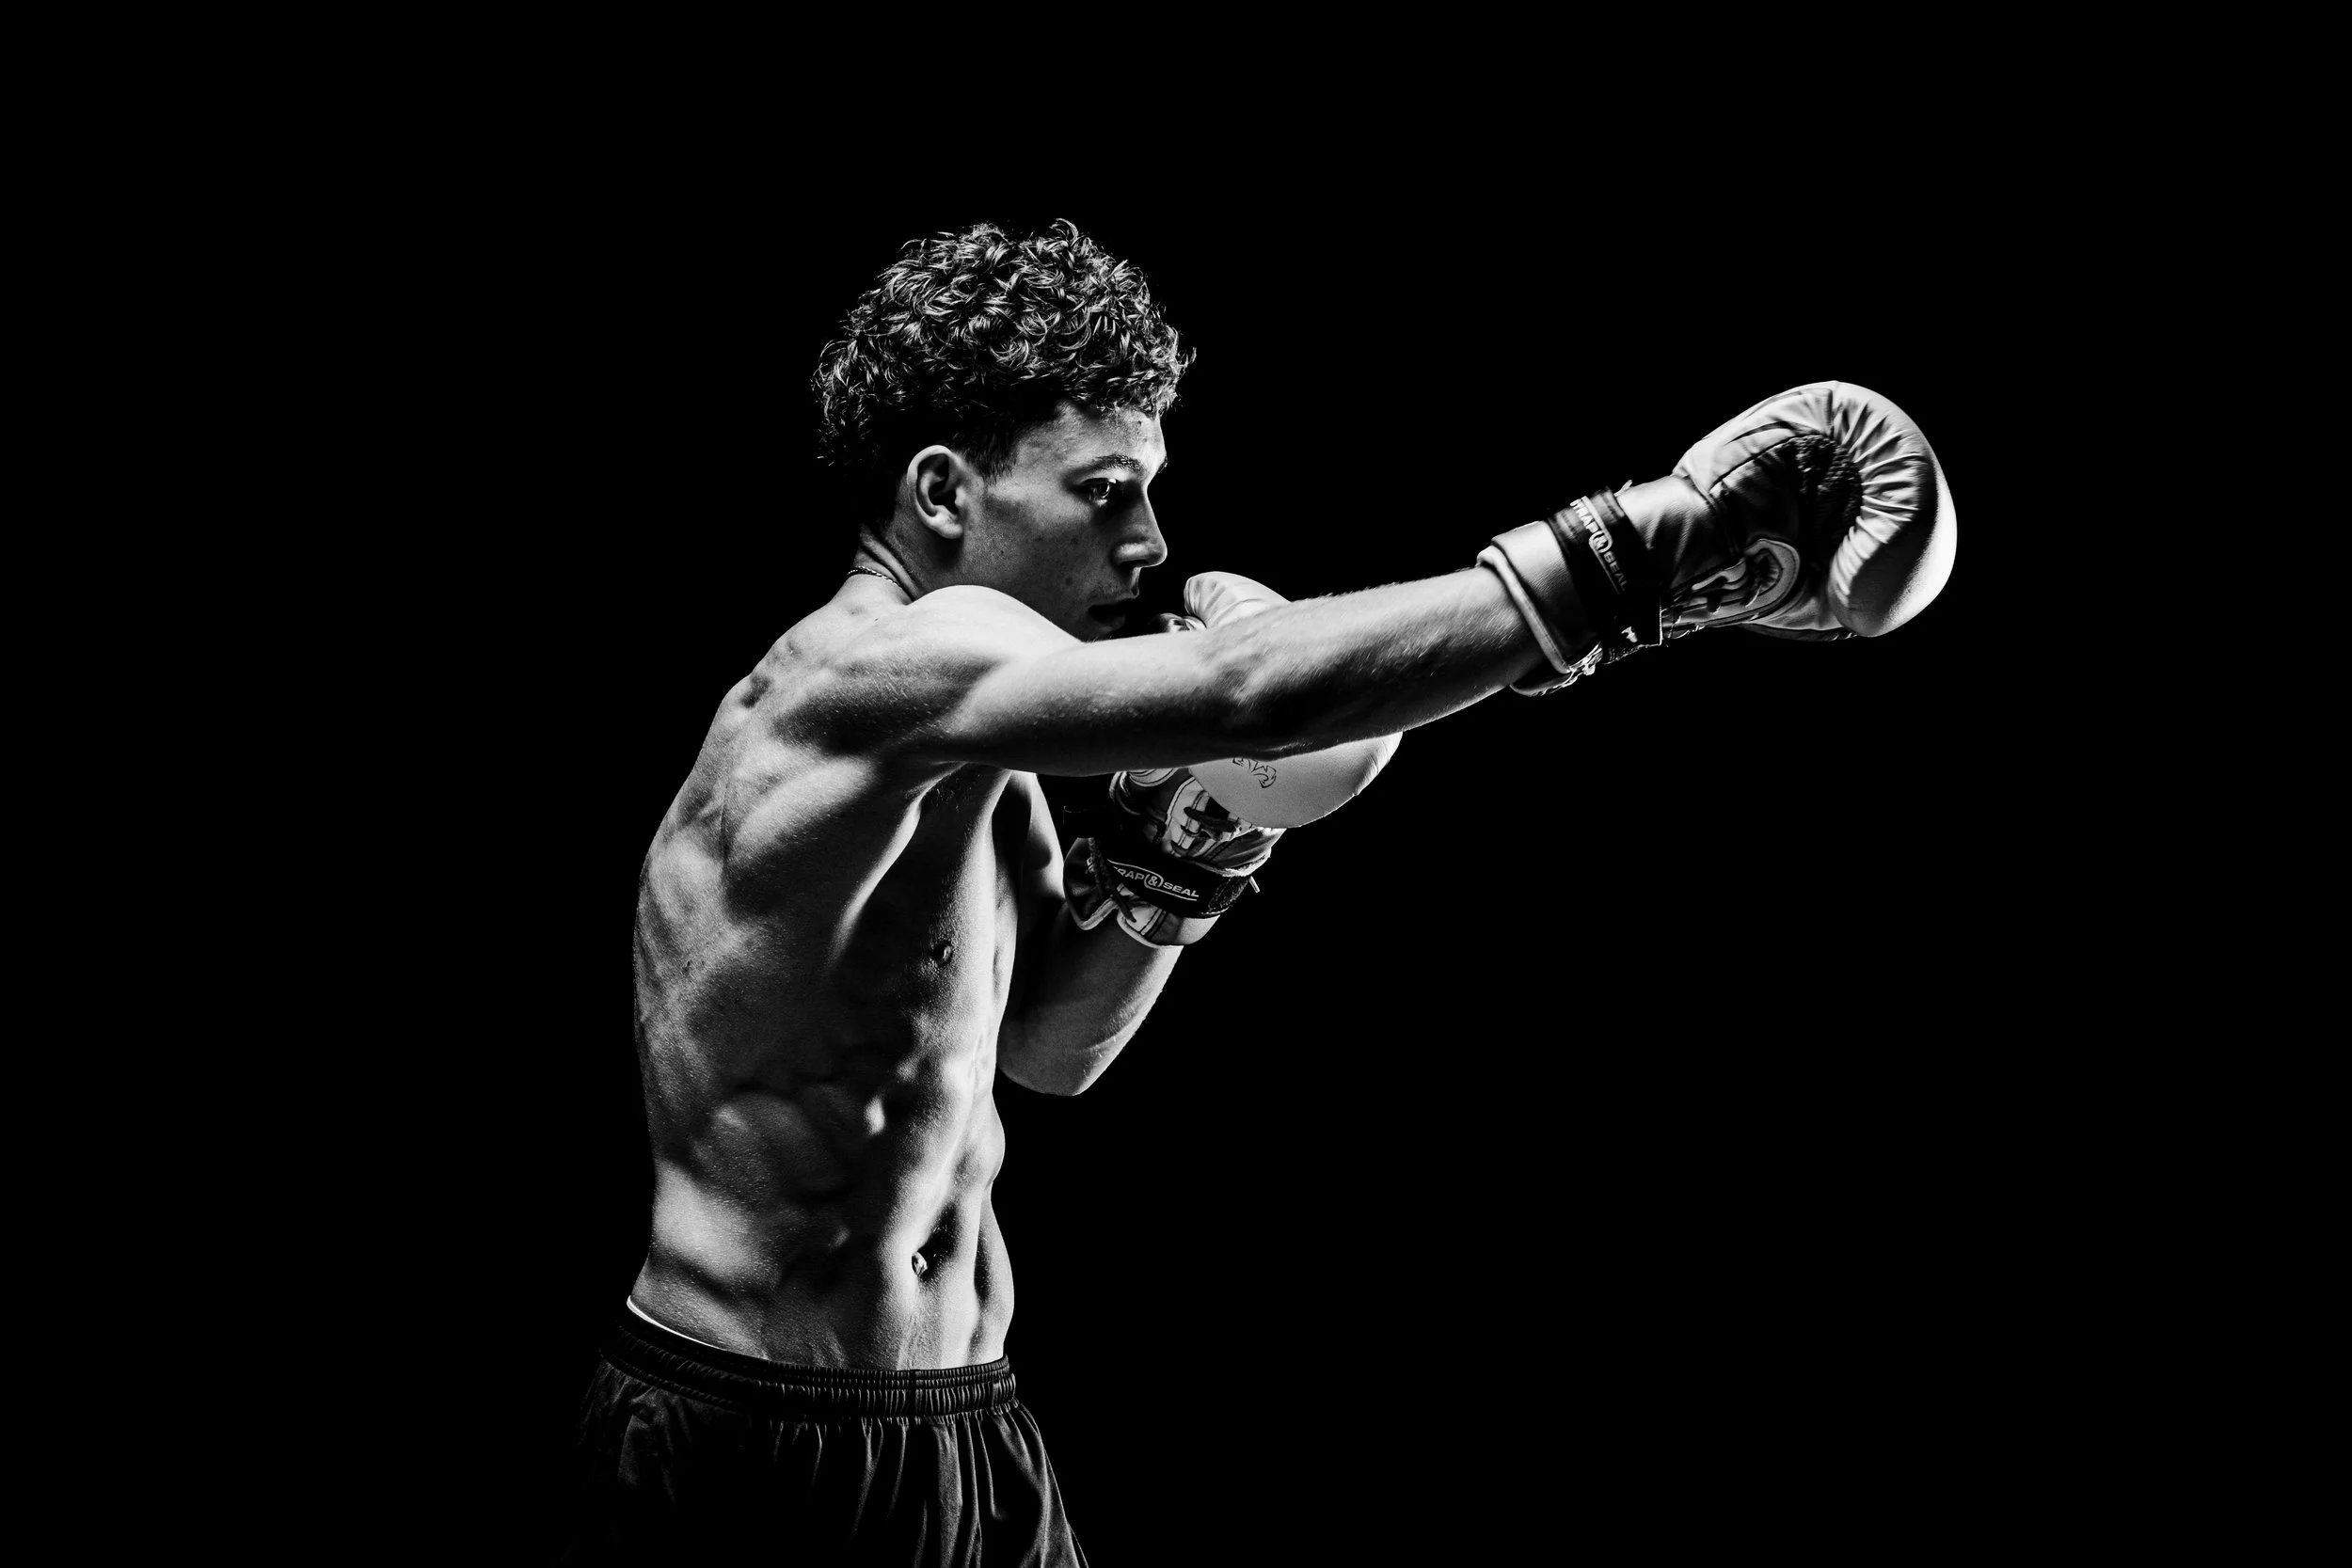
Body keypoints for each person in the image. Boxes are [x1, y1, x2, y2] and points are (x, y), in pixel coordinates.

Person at [563, 219, 1955, 1562]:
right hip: (751, 1436)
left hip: (962, 1418)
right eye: (1104, 493)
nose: (1152, 543)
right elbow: (1253, 689)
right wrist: (1635, 555)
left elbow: (1051, 1050)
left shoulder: (965, 756)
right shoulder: (867, 674)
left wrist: (1200, 835)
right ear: (942, 493)